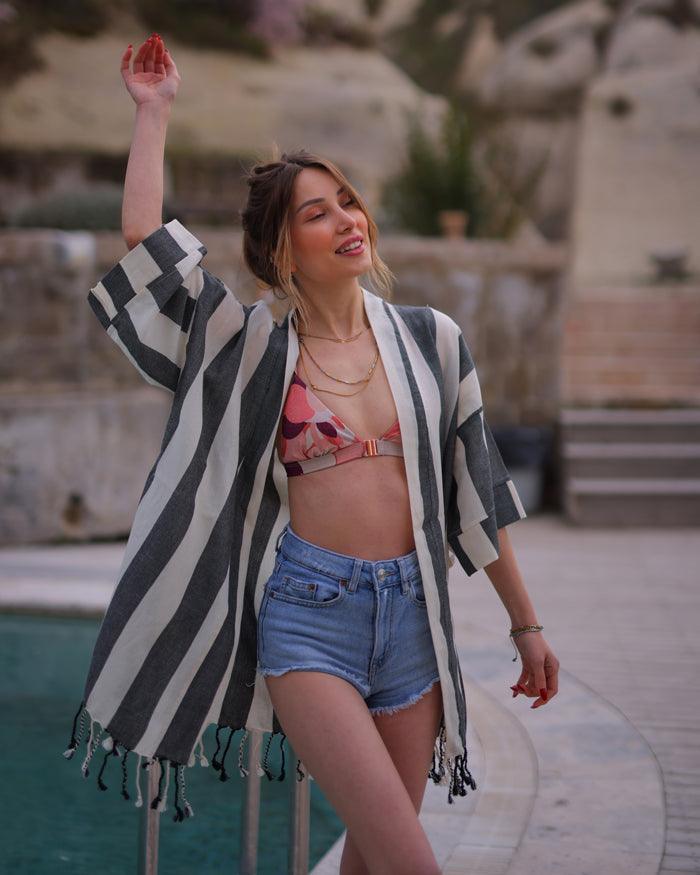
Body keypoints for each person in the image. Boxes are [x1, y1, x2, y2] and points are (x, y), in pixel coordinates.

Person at [62, 33, 560, 875]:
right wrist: (154, 113)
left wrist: (527, 623)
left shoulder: (431, 340)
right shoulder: (247, 343)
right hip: (308, 616)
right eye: (317, 211)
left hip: (413, 621)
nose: (347, 220)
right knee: (412, 862)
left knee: (370, 863)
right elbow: (146, 241)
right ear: (283, 247)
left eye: (349, 201)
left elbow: (477, 490)